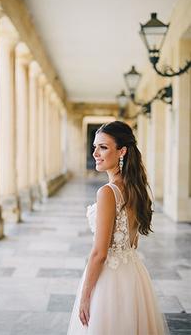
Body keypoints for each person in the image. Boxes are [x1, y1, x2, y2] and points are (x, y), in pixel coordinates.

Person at [67, 121, 168, 335]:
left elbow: (99, 253)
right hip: (133, 275)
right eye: (95, 146)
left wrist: (85, 295)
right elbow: (133, 241)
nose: (95, 153)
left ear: (121, 151)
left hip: (109, 280)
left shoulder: (108, 192)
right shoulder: (135, 188)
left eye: (103, 147)